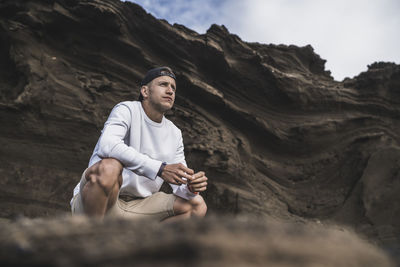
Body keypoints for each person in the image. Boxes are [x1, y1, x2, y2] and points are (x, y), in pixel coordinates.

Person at [70, 66, 208, 221]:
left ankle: (141, 244)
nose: (170, 91)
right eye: (163, 84)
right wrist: (160, 169)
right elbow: (107, 144)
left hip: (139, 208)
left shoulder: (174, 133)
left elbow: (180, 185)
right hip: (99, 202)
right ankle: (90, 237)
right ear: (145, 91)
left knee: (197, 205)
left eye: (173, 88)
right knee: (109, 166)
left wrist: (190, 187)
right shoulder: (127, 109)